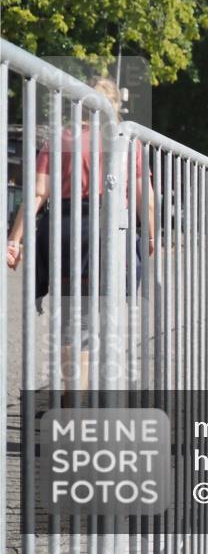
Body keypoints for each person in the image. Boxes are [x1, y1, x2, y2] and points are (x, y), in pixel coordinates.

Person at [6, 77, 154, 392]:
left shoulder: (61, 139)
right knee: (98, 320)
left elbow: (37, 193)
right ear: (114, 106)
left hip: (63, 231)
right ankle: (87, 399)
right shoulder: (127, 141)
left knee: (71, 324)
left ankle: (74, 398)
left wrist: (14, 240)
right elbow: (146, 199)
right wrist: (151, 236)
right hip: (108, 232)